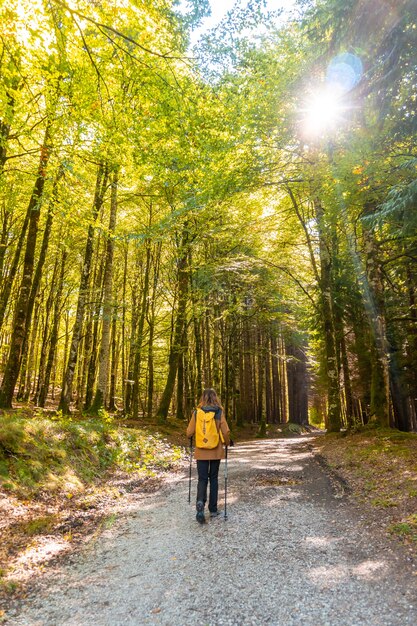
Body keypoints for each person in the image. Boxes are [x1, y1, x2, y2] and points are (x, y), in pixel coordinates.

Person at [186, 388, 231, 524]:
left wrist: (192, 435)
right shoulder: (218, 412)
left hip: (201, 451)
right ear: (215, 398)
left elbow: (189, 432)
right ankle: (213, 510)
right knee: (214, 479)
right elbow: (226, 431)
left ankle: (200, 502)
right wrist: (227, 443)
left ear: (202, 398)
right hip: (215, 450)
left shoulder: (196, 413)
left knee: (202, 479)